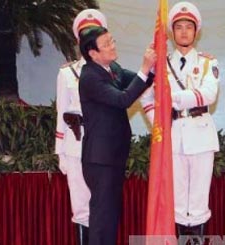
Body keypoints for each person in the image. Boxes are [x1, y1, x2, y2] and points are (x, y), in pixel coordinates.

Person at [140, 1, 220, 238]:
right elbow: (145, 97)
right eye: (179, 27)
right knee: (174, 202)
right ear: (171, 33)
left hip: (201, 136)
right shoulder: (160, 63)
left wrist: (170, 98)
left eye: (189, 27)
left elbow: (208, 94)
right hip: (171, 137)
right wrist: (160, 121)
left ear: (196, 32)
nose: (184, 31)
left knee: (198, 201)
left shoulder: (208, 63)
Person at [78, 25, 156, 245]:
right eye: (106, 44)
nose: (113, 46)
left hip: (113, 156)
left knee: (110, 216)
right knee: (102, 217)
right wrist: (144, 67)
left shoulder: (112, 68)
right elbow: (123, 99)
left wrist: (153, 66)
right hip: (99, 159)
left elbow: (141, 81)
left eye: (112, 40)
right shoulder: (90, 77)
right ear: (93, 53)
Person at [55, 9, 107, 245]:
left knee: (103, 206)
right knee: (80, 207)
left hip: (102, 146)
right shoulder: (67, 73)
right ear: (79, 40)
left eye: (93, 34)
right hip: (75, 144)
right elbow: (61, 114)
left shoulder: (111, 71)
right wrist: (60, 152)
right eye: (84, 34)